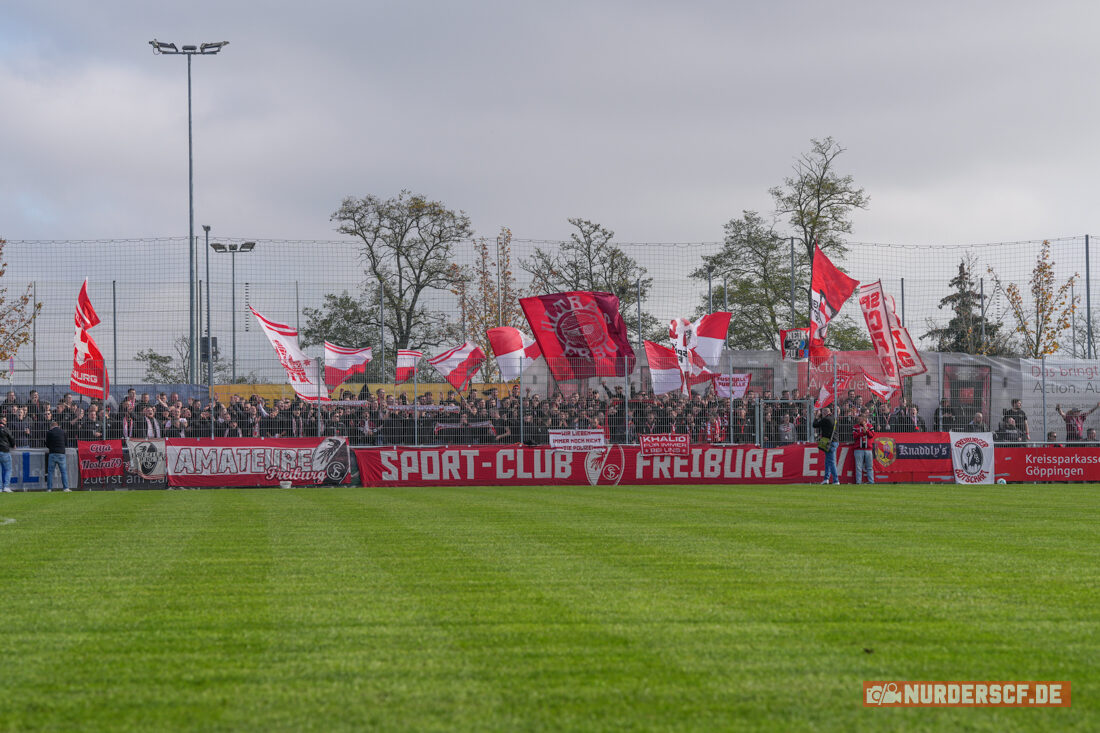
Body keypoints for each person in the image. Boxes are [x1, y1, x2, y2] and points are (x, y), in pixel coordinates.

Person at [813, 408, 839, 485]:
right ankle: (826, 479)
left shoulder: (826, 419)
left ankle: (836, 480)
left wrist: (817, 417)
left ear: (825, 412)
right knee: (827, 461)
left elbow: (815, 425)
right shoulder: (834, 418)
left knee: (831, 462)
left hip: (829, 442)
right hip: (835, 441)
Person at [45, 419, 70, 492]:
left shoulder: (49, 432)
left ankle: (49, 488)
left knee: (50, 472)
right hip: (61, 453)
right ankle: (66, 488)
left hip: (52, 453)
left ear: (51, 426)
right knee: (63, 471)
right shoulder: (63, 432)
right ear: (58, 426)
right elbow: (66, 443)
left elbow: (47, 444)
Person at [852, 413, 875, 485]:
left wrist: (867, 431)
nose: (858, 419)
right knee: (858, 467)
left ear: (864, 419)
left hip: (868, 449)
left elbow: (872, 435)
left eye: (860, 418)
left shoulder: (870, 426)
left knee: (869, 467)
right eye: (858, 418)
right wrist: (863, 433)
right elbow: (854, 436)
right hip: (858, 449)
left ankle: (871, 482)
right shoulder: (855, 427)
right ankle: (858, 482)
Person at [0, 416, 14, 492]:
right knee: (8, 469)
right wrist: (13, 445)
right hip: (5, 451)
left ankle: (0, 487)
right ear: (2, 421)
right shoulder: (5, 429)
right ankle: (6, 486)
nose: (5, 422)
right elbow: (11, 438)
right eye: (5, 421)